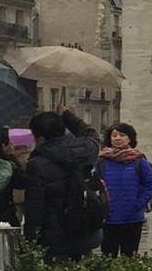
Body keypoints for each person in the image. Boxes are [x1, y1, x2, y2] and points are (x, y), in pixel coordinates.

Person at [23, 110, 103, 260]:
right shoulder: (85, 149)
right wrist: (67, 115)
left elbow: (34, 206)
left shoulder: (36, 164)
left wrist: (30, 240)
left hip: (54, 233)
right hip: (85, 227)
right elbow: (91, 133)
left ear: (38, 137)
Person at [97, 123, 152, 257]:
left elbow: (150, 185)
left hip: (132, 218)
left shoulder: (139, 161)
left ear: (130, 139)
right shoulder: (102, 161)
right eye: (114, 135)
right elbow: (96, 184)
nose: (117, 138)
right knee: (107, 258)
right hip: (109, 218)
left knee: (129, 258)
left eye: (122, 135)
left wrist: (138, 204)